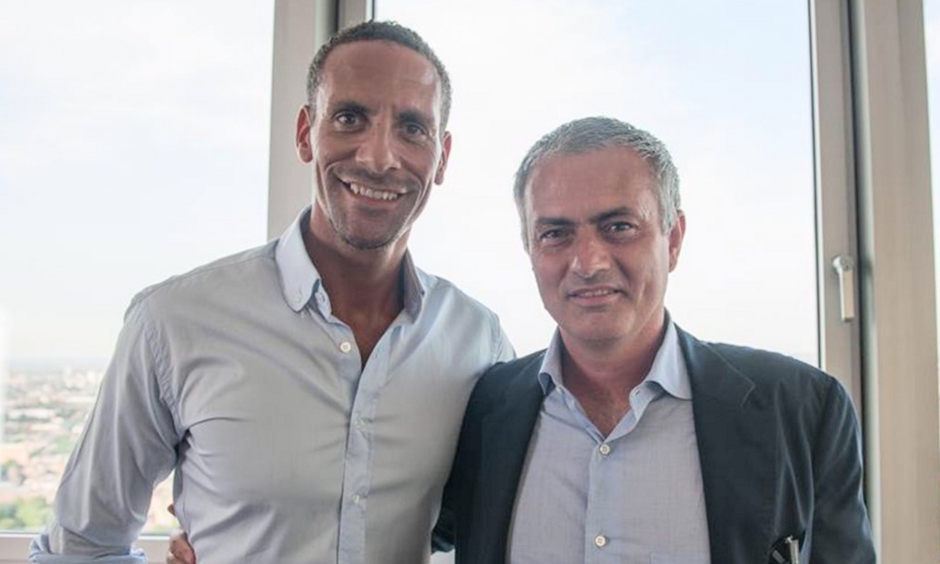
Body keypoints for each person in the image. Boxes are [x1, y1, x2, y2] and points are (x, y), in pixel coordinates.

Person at [29, 20, 512, 564]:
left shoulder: (479, 342)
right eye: (350, 118)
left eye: (412, 128)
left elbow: (481, 527)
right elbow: (79, 548)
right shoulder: (173, 322)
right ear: (306, 133)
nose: (379, 157)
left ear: (442, 156)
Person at [434, 117, 875, 563]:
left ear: (674, 239)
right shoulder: (483, 409)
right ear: (529, 249)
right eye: (555, 234)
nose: (588, 263)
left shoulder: (800, 408)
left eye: (618, 227)